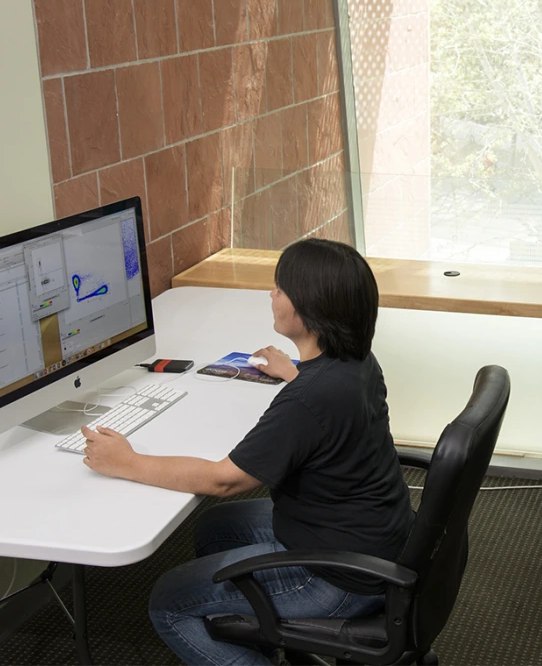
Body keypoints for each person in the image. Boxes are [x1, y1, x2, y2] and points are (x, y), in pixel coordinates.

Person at [80, 238, 415, 666]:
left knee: (167, 602)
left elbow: (224, 480)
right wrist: (293, 374)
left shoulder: (307, 400)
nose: (271, 295)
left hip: (340, 579)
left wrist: (126, 462)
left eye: (279, 288)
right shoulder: (357, 363)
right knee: (214, 530)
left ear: (305, 309)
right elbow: (326, 409)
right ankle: (257, 629)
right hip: (373, 539)